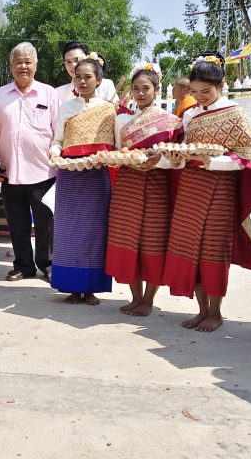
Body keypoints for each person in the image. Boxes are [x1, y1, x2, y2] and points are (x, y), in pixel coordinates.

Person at [165, 52, 251, 332]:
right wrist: (178, 158)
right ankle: (201, 309)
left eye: (206, 92)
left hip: (221, 188)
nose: (200, 98)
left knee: (213, 250)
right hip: (191, 187)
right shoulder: (190, 115)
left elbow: (246, 158)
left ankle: (215, 312)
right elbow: (184, 150)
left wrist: (212, 162)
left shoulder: (235, 113)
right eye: (195, 92)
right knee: (190, 248)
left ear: (221, 85)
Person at [106, 62, 182, 316]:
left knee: (153, 241)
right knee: (127, 239)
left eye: (146, 88)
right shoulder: (123, 120)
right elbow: (119, 151)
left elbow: (178, 159)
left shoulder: (172, 122)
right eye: (136, 88)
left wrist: (157, 161)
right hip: (128, 184)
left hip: (157, 185)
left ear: (157, 90)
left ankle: (148, 299)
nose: (140, 93)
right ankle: (135, 297)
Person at [0, 42, 59, 283]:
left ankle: (47, 264)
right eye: (18, 62)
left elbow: (58, 133)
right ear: (11, 67)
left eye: (28, 62)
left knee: (45, 222)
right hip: (10, 171)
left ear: (36, 65)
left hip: (44, 171)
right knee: (17, 222)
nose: (23, 66)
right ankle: (23, 266)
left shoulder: (49, 94)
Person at [48, 53, 115, 305]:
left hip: (97, 178)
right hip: (70, 176)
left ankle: (91, 289)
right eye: (78, 77)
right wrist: (54, 153)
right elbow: (57, 140)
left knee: (95, 232)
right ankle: (72, 288)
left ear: (99, 80)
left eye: (88, 77)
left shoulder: (108, 110)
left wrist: (106, 157)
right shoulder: (66, 108)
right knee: (69, 232)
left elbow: (117, 146)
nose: (83, 81)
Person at [54, 41, 119, 104]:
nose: (73, 65)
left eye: (77, 60)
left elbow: (116, 110)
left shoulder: (106, 85)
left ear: (87, 59)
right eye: (68, 62)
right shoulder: (58, 93)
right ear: (64, 65)